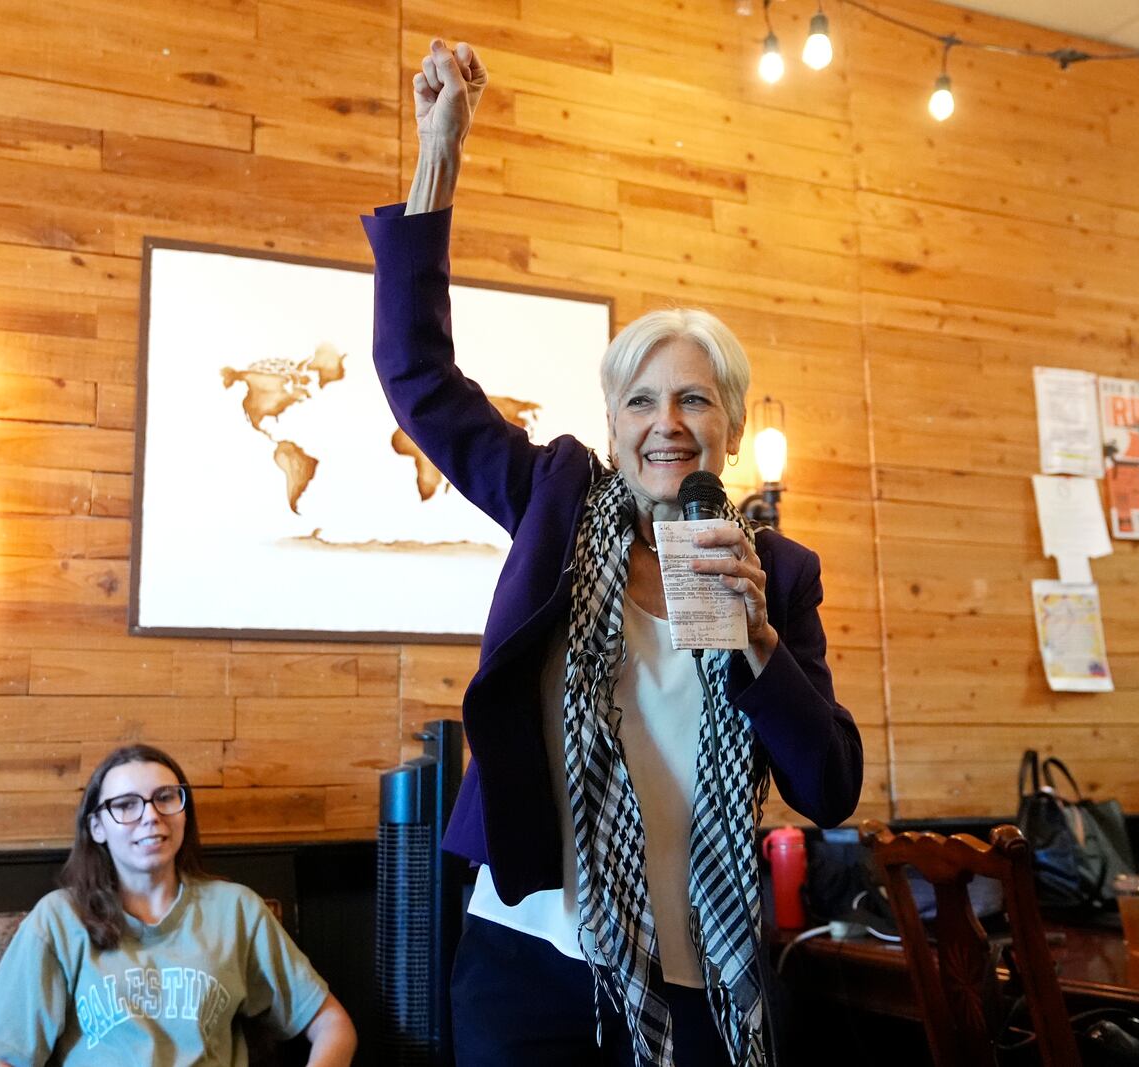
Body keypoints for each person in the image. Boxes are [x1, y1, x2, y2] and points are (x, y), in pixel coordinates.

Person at [361, 40, 864, 1067]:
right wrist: (438, 153)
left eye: (691, 397)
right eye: (640, 399)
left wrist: (763, 640)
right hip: (531, 953)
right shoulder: (555, 497)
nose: (664, 421)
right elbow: (415, 370)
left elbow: (831, 783)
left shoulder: (782, 569)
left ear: (727, 421)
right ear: (611, 419)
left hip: (708, 979)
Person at [0, 744, 356, 1067]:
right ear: (97, 827)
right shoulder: (59, 919)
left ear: (184, 814)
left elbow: (333, 1026)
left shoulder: (236, 911)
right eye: (126, 805)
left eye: (165, 798)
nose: (151, 816)